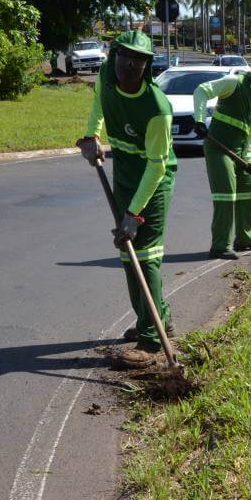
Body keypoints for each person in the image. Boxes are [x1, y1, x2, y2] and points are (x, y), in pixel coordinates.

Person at [76, 30, 176, 368]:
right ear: (114, 55)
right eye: (124, 56)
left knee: (146, 256)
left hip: (153, 180)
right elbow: (99, 103)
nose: (129, 65)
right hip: (124, 173)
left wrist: (134, 213)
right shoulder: (105, 76)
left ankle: (150, 342)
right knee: (126, 252)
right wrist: (92, 135)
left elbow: (157, 166)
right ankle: (157, 317)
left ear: (147, 65)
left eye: (138, 60)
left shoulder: (157, 108)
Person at [193, 57, 251, 259]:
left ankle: (245, 239)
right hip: (218, 148)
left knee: (249, 191)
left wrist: (249, 160)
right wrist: (199, 120)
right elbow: (202, 90)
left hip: (239, 152)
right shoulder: (234, 83)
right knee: (226, 194)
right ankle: (220, 245)